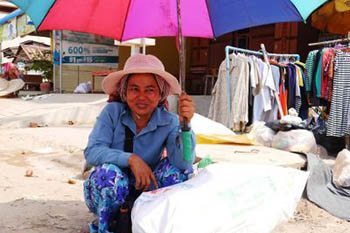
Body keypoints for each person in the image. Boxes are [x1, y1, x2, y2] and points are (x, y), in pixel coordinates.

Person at [83, 54, 196, 233]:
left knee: (176, 174)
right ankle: (106, 225)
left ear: (160, 94)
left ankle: (153, 223)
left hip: (147, 190)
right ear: (124, 93)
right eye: (135, 89)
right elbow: (92, 151)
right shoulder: (112, 113)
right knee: (107, 174)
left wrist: (185, 126)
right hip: (108, 191)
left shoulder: (169, 121)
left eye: (150, 90)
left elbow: (183, 163)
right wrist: (131, 159)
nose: (141, 97)